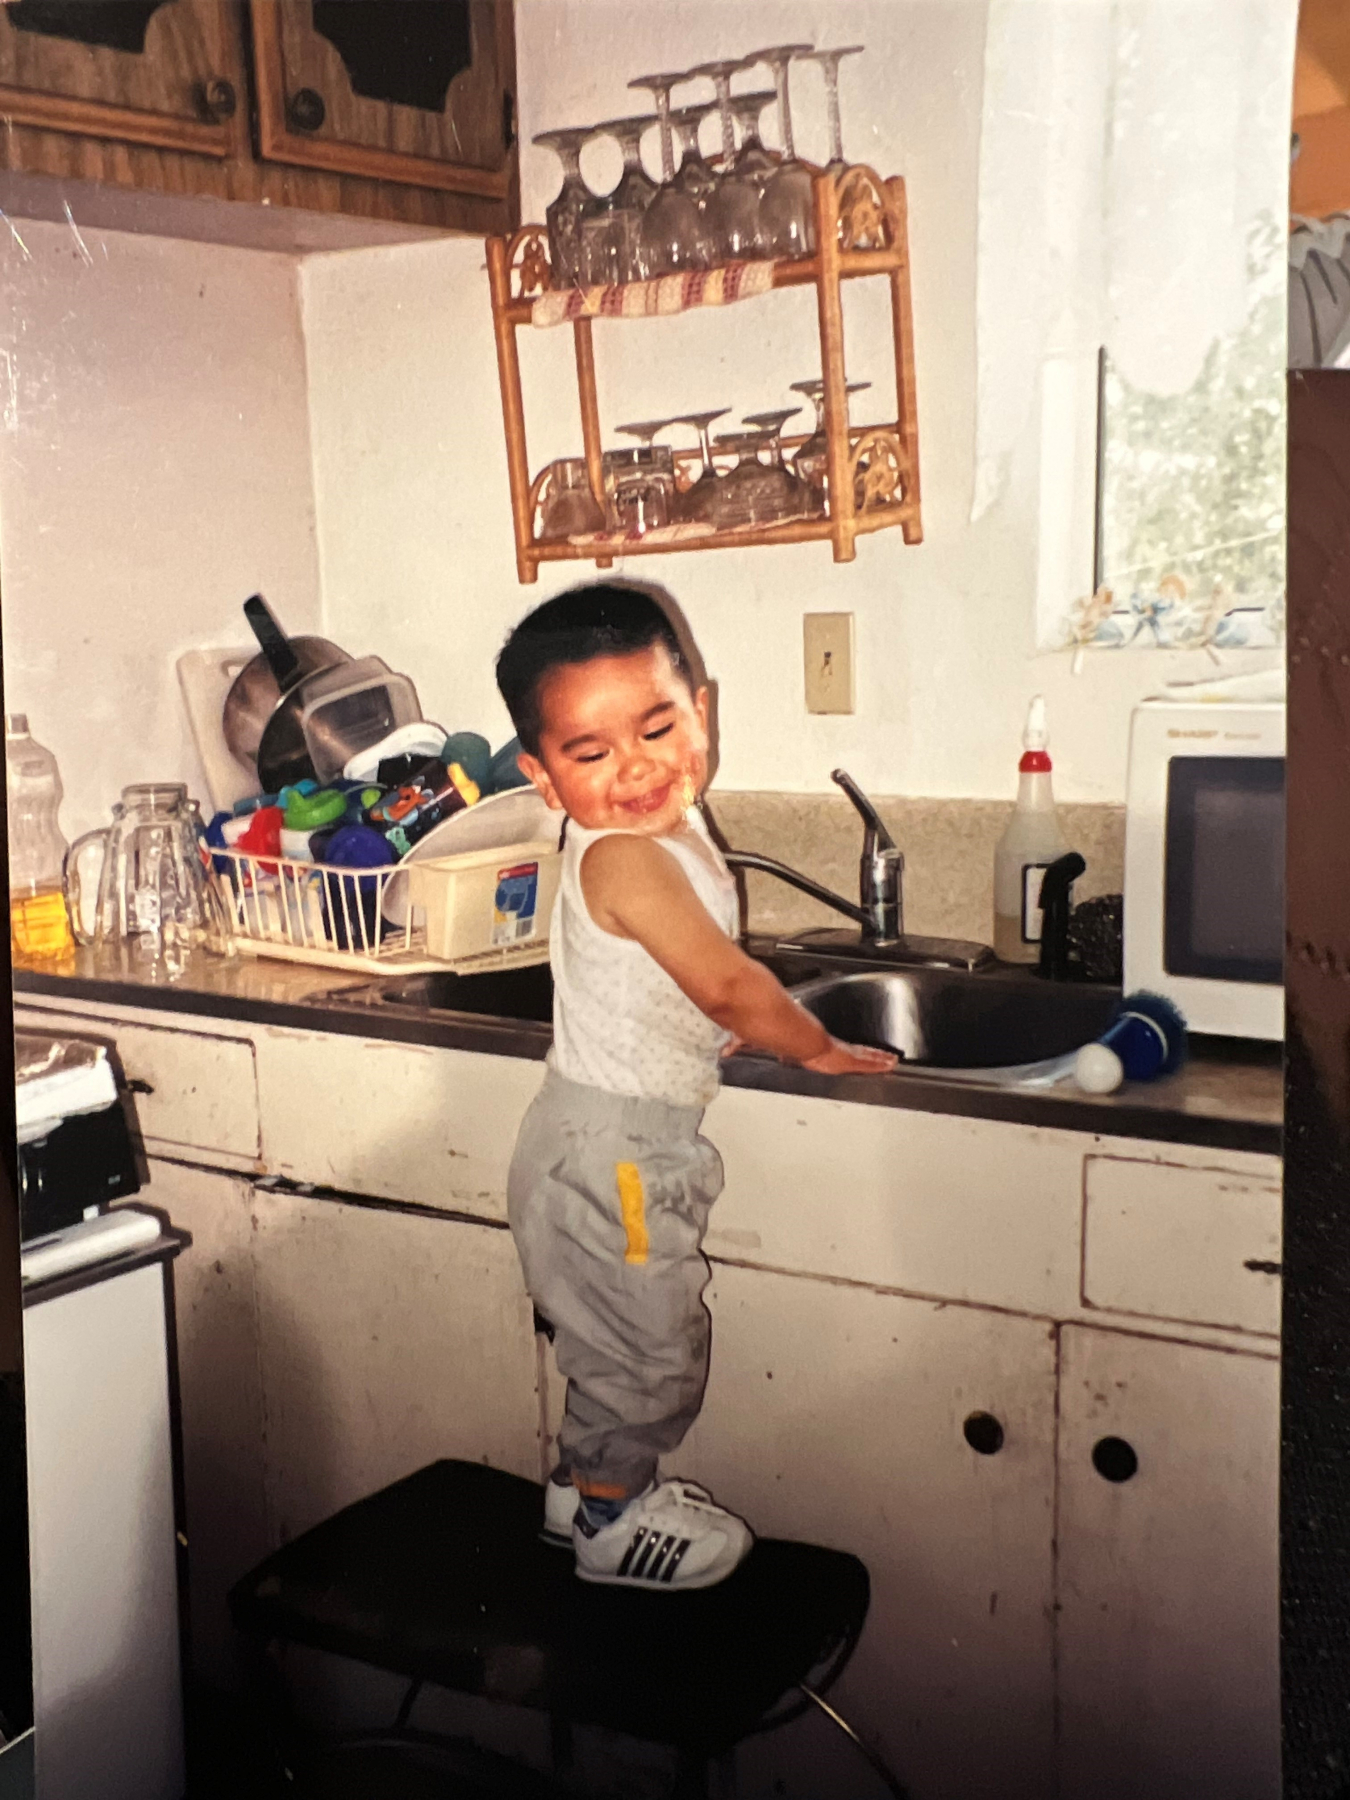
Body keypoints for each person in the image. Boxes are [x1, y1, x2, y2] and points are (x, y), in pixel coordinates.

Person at [496, 583, 895, 1591]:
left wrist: (704, 1026)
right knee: (643, 1346)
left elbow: (672, 976)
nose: (635, 767)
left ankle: (576, 1490)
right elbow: (724, 979)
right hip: (618, 1152)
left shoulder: (665, 826)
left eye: (658, 726)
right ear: (543, 778)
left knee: (613, 1329)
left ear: (700, 713)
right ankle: (613, 1526)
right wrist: (813, 1047)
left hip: (598, 1134)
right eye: (590, 755)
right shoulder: (629, 856)